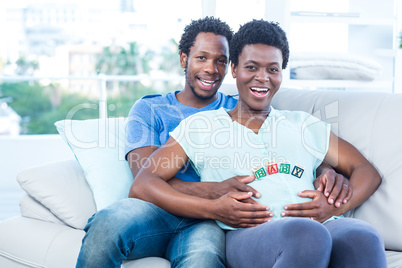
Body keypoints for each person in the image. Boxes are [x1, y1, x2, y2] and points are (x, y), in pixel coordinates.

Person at [76, 17, 352, 267]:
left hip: (210, 222)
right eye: (202, 58)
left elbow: (285, 149)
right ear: (184, 59)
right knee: (108, 223)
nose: (211, 69)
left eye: (220, 60)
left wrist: (324, 171)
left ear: (231, 67)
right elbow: (147, 177)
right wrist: (214, 192)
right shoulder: (150, 109)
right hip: (159, 209)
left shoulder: (240, 106)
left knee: (203, 257)